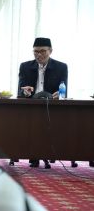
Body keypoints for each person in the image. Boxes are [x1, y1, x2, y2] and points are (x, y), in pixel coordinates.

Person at [17, 37, 69, 168]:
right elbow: (20, 90)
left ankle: (48, 152)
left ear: (50, 51)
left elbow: (63, 90)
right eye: (35, 51)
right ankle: (33, 154)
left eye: (42, 51)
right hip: (31, 106)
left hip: (52, 107)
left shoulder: (61, 67)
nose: (39, 55)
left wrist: (60, 94)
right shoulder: (25, 66)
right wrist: (25, 92)